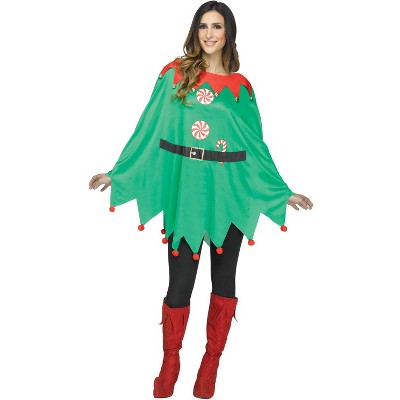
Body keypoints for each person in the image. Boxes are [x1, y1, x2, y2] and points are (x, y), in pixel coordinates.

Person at [88, 1, 313, 398]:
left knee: (224, 280)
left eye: (217, 26)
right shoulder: (174, 74)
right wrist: (118, 172)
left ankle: (211, 364)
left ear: (229, 33)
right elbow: (148, 126)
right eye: (204, 26)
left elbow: (255, 145)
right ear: (195, 31)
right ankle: (170, 362)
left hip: (229, 194)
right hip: (188, 193)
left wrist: (281, 190)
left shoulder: (241, 88)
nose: (210, 34)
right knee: (180, 284)